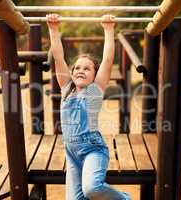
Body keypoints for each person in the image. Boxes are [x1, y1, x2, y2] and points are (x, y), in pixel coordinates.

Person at [46, 13, 131, 200]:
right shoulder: (67, 88)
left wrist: (108, 30)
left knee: (92, 188)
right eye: (77, 68)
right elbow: (58, 58)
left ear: (95, 75)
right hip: (72, 153)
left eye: (86, 68)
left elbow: (107, 60)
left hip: (93, 149)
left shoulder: (94, 90)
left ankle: (125, 199)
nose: (80, 71)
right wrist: (53, 29)